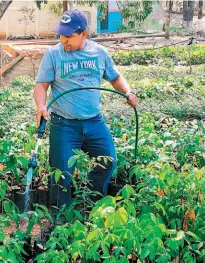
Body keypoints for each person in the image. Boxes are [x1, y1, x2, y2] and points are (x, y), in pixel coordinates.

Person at [33, 9, 137, 217]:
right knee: (61, 175)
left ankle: (89, 202)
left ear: (83, 34)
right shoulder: (53, 55)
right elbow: (41, 85)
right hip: (63, 124)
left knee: (108, 160)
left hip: (93, 122)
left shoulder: (99, 53)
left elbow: (115, 78)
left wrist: (128, 91)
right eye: (61, 35)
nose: (64, 40)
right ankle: (60, 219)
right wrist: (41, 106)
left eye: (69, 36)